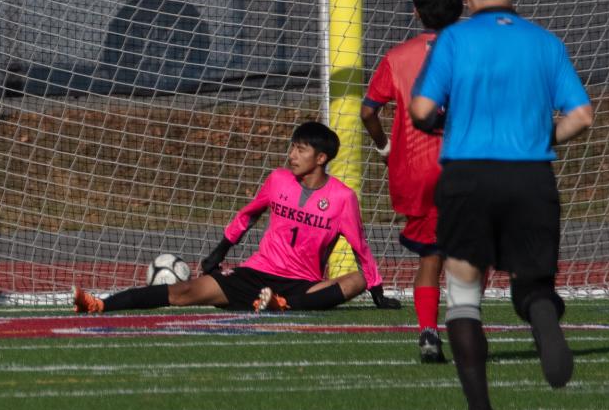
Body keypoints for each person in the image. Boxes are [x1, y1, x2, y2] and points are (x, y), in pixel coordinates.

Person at [409, 0, 595, 410]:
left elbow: (422, 110)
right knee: (533, 282)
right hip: (530, 177)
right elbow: (582, 116)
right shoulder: (545, 43)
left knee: (465, 294)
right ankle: (539, 312)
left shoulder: (454, 39)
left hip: (468, 174)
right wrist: (539, 137)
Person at [73, 121, 401, 315]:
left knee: (355, 279)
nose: (292, 155)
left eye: (300, 150)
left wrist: (376, 291)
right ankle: (101, 305)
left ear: (321, 157)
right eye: (292, 148)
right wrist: (220, 251)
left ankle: (283, 305)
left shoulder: (343, 198)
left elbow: (361, 249)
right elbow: (247, 216)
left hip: (303, 284)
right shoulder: (277, 180)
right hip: (254, 275)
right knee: (183, 292)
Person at [361, 0, 464, 364]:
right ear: (461, 6)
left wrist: (385, 146)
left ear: (416, 12)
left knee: (430, 258)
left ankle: (427, 333)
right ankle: (465, 324)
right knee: (470, 256)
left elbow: (368, 111)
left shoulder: (397, 57)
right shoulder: (476, 51)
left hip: (418, 172)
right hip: (468, 167)